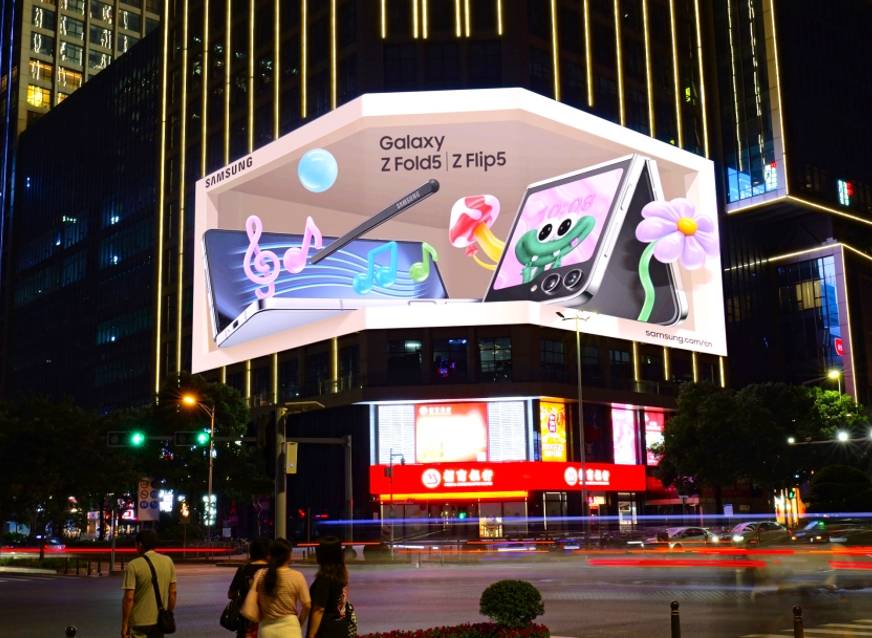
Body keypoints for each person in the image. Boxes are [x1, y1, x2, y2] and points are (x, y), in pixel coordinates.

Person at [121, 530, 177, 638]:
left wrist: (125, 624)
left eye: (136, 545)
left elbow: (129, 599)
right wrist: (168, 613)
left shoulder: (133, 565)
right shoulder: (168, 561)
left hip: (139, 622)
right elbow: (173, 593)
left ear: (140, 544)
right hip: (159, 622)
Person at [256, 538, 311, 638]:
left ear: (270, 555)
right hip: (290, 628)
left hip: (266, 628)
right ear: (288, 555)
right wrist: (299, 622)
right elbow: (307, 604)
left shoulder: (260, 575)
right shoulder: (297, 576)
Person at [307, 537, 352, 638]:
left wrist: (311, 634)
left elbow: (319, 609)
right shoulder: (342, 575)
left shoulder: (324, 578)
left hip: (326, 630)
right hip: (340, 627)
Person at [228, 537, 270, 638]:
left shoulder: (243, 569)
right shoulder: (272, 570)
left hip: (246, 620)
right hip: (268, 620)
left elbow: (231, 594)